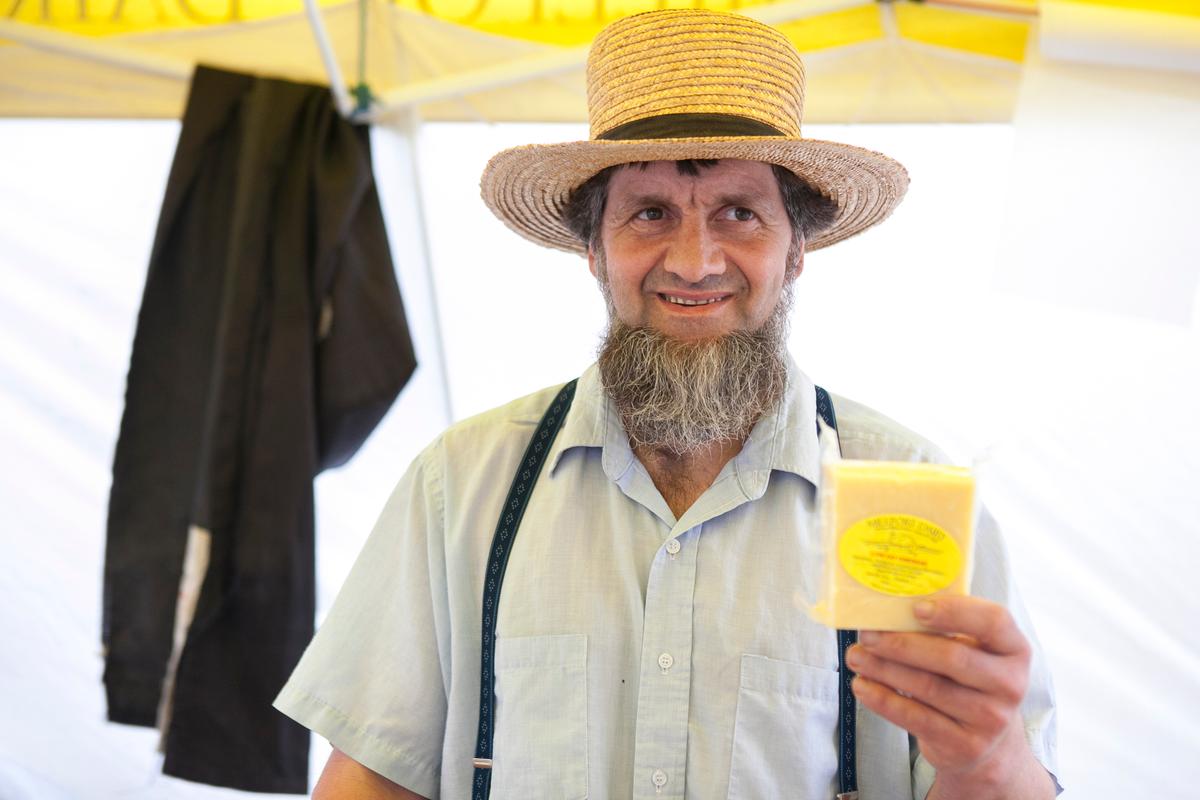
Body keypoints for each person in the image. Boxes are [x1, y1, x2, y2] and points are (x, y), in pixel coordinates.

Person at [274, 9, 1059, 799]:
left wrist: (987, 759)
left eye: (739, 213)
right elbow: (369, 782)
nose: (694, 261)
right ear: (592, 249)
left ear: (796, 252)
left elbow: (1005, 782)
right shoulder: (460, 487)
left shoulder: (915, 496)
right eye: (650, 213)